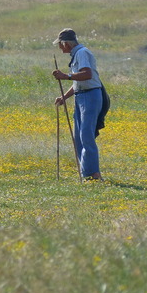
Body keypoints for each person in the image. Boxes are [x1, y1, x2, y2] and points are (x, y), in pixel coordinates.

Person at [52, 28, 109, 181]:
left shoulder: (82, 53)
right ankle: (87, 174)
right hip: (81, 96)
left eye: (60, 44)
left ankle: (95, 175)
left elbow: (87, 74)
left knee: (86, 135)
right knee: (78, 137)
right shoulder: (76, 54)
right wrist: (64, 97)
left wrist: (66, 76)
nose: (59, 47)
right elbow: (79, 81)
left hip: (90, 96)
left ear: (66, 43)